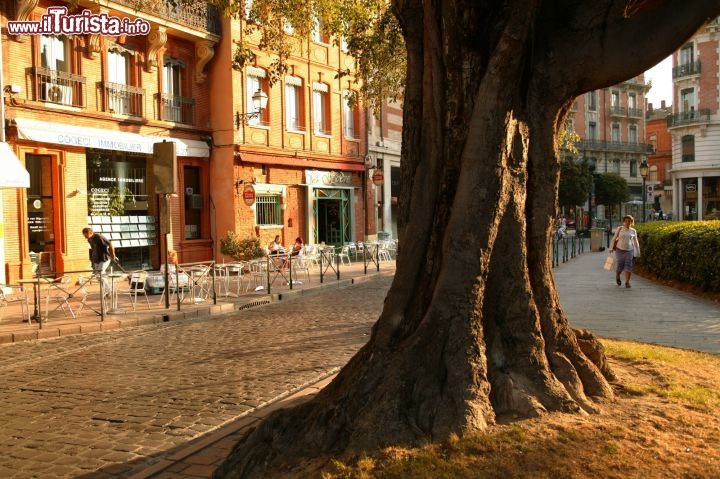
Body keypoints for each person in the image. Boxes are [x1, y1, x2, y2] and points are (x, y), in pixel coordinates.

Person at [82, 227, 117, 294]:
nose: (85, 237)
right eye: (84, 235)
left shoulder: (98, 236)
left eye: (86, 235)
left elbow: (110, 244)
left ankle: (108, 291)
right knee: (98, 276)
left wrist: (113, 255)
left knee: (100, 274)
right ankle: (107, 290)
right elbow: (94, 249)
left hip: (104, 258)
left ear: (90, 233)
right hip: (96, 259)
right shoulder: (89, 239)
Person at [610, 215, 641, 288]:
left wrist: (638, 252)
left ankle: (627, 282)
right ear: (624, 222)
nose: (628, 222)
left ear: (632, 222)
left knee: (628, 265)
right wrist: (611, 248)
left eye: (629, 221)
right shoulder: (620, 229)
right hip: (619, 250)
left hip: (629, 250)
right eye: (626, 221)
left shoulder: (633, 231)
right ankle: (618, 275)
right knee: (620, 266)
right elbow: (614, 239)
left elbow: (636, 242)